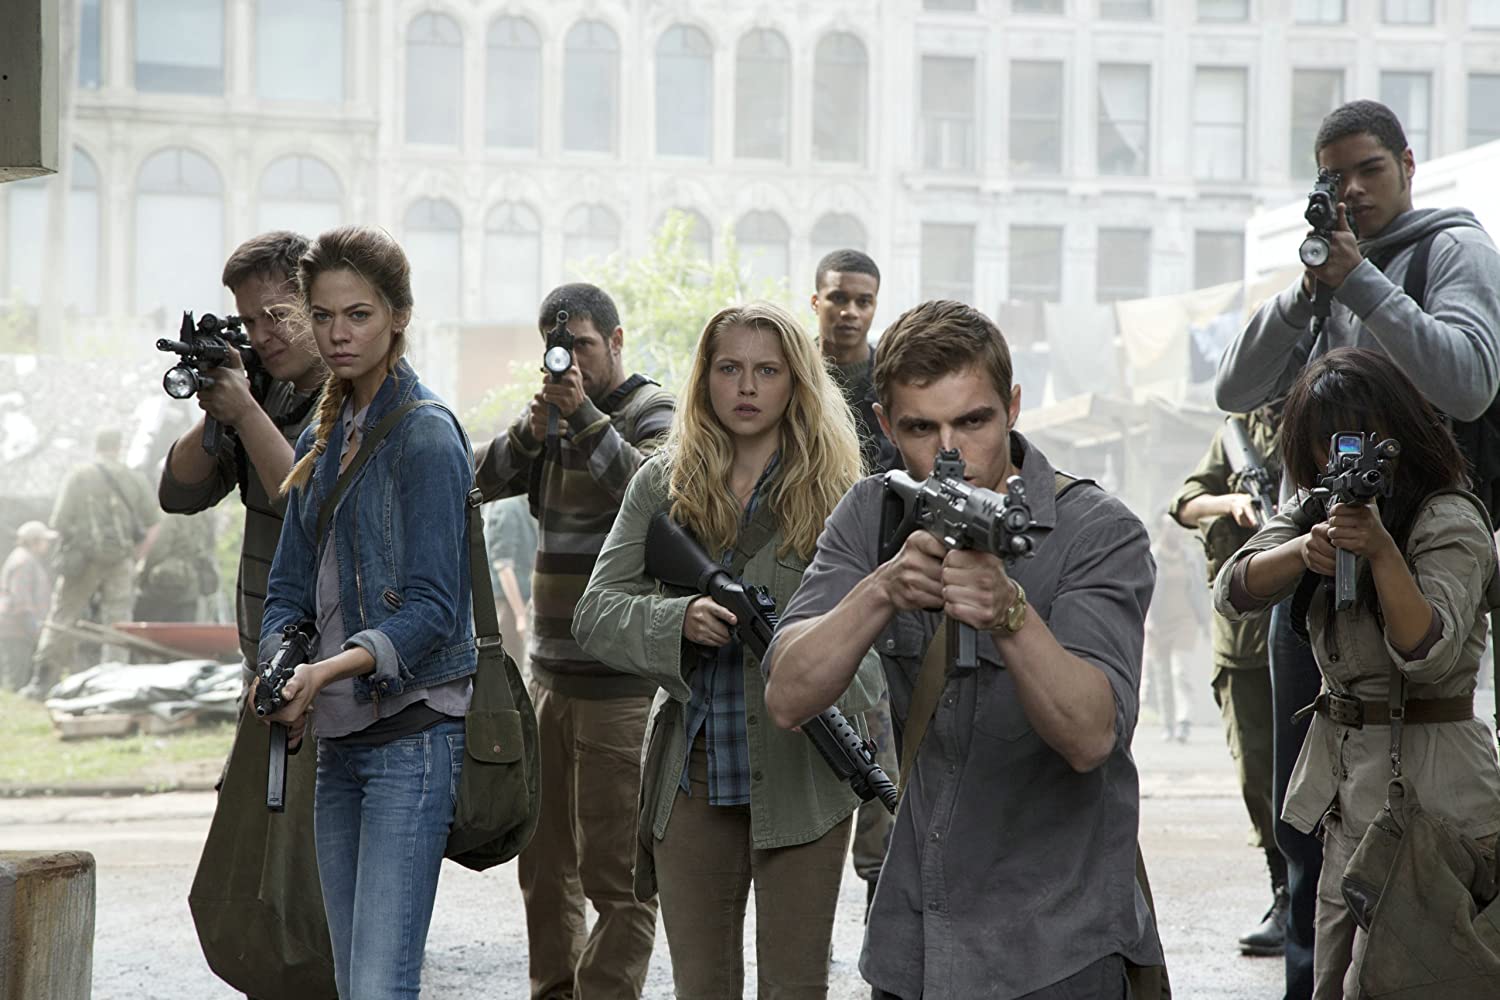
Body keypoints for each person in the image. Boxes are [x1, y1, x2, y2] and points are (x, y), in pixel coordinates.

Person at [764, 300, 1164, 999]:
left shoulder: (1097, 531)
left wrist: (1011, 614)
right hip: (917, 940)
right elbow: (788, 695)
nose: (949, 452)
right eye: (921, 428)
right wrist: (882, 590)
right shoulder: (874, 512)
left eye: (973, 421)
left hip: (1055, 940)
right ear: (886, 425)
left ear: (1012, 408)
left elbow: (1090, 738)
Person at [1214, 99, 1500, 1000]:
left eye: (1370, 169)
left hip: (1425, 543)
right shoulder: (1326, 271)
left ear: (1408, 165)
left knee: (1427, 800)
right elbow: (1234, 387)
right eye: (1334, 177)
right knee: (1311, 806)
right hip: (1319, 549)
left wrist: (1363, 283)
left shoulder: (1452, 250)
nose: (1354, 191)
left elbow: (1469, 380)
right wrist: (1311, 290)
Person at [573, 302, 885, 997]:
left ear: (796, 382)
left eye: (767, 371)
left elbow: (871, 650)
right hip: (695, 770)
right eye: (729, 368)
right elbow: (595, 612)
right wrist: (677, 619)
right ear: (704, 378)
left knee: (794, 987)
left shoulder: (838, 493)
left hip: (804, 772)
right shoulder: (664, 482)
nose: (746, 387)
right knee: (702, 986)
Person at [260, 225, 475, 1000]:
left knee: (381, 986)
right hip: (340, 743)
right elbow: (287, 592)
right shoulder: (321, 441)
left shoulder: (425, 435)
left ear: (398, 316)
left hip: (412, 741)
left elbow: (433, 609)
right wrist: (279, 671)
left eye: (358, 315)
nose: (338, 334)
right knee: (353, 985)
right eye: (322, 316)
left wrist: (328, 671)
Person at [474, 283, 672, 999]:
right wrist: (529, 435)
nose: (572, 362)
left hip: (620, 688)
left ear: (615, 341)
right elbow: (473, 480)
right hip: (549, 680)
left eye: (584, 345)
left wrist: (584, 417)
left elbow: (659, 496)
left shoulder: (651, 411)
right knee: (544, 867)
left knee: (617, 876)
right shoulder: (553, 420)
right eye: (559, 350)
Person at [159, 230, 324, 679]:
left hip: (326, 670)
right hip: (261, 661)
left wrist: (246, 412)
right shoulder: (267, 390)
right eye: (250, 322)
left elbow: (311, 511)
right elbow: (179, 494)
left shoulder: (353, 399)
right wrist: (219, 402)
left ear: (316, 304)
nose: (262, 336)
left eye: (276, 315)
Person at [1171, 407, 1289, 958]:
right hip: (1243, 639)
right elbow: (1185, 502)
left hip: (1309, 629)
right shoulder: (1239, 430)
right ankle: (1283, 894)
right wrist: (1233, 503)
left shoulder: (1325, 407)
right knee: (1257, 775)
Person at [811, 247, 901, 909]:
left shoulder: (889, 379)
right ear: (816, 300)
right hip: (800, 582)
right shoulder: (791, 373)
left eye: (862, 300)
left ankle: (882, 915)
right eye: (838, 298)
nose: (850, 311)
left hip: (877, 587)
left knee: (878, 762)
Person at [23, 428, 158, 697]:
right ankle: (113, 683)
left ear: (97, 446)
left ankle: (43, 680)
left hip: (82, 560)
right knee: (118, 621)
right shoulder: (134, 478)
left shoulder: (79, 475)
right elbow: (153, 522)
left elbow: (59, 521)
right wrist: (135, 556)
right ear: (119, 446)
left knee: (64, 616)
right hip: (121, 561)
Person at [1142, 515, 1206, 745]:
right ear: (1162, 529)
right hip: (1159, 621)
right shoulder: (1153, 555)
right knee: (1162, 675)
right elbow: (1145, 588)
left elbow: (1198, 588)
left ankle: (1183, 720)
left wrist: (1204, 619)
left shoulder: (1189, 557)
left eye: (1177, 527)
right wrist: (1148, 620)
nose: (1175, 531)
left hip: (1185, 620)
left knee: (1181, 671)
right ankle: (1167, 723)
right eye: (1170, 526)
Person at [0, 521, 57, 690]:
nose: (47, 545)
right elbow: (20, 597)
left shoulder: (28, 559)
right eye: (44, 540)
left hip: (20, 629)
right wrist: (32, 624)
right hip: (16, 629)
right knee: (15, 678)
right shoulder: (23, 561)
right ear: (34, 541)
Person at [133, 512, 219, 623]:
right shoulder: (206, 516)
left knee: (151, 629)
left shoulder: (173, 516)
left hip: (161, 587)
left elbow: (158, 550)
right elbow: (208, 551)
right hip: (190, 592)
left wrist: (143, 577)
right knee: (184, 631)